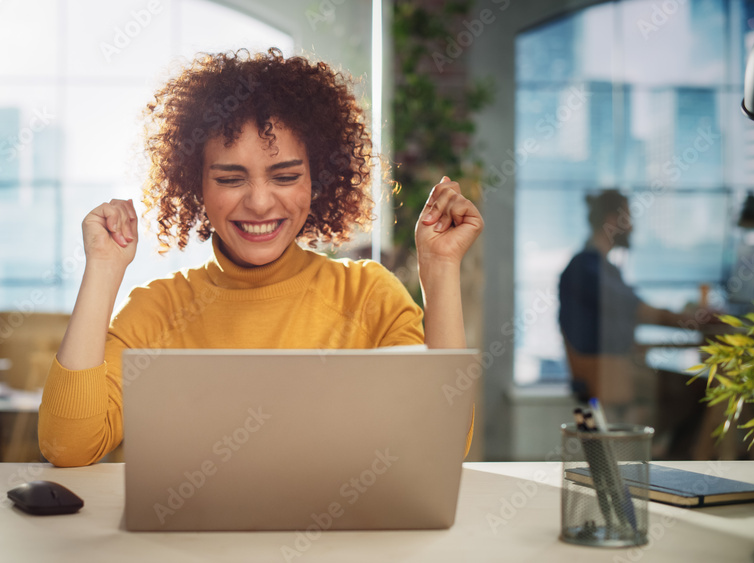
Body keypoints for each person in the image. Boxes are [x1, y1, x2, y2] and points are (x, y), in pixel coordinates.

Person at [38, 49, 483, 467]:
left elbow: (439, 443)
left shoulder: (367, 294)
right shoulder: (157, 311)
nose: (259, 202)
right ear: (197, 186)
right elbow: (69, 447)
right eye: (231, 179)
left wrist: (440, 271)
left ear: (318, 180)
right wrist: (103, 268)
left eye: (285, 176)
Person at [558, 189, 710, 454]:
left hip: (617, 366)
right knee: (703, 391)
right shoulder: (587, 267)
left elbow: (626, 317)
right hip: (607, 372)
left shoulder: (602, 268)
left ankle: (655, 454)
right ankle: (659, 457)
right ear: (611, 221)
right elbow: (639, 310)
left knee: (694, 390)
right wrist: (690, 319)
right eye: (627, 218)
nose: (632, 226)